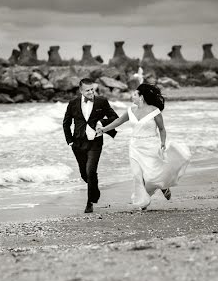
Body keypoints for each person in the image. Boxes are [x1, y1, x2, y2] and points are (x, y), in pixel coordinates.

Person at [96, 83, 191, 210]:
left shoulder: (154, 111)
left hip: (151, 146)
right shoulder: (131, 110)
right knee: (137, 175)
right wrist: (104, 129)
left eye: (135, 94)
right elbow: (118, 121)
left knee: (151, 176)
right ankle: (143, 202)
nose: (132, 96)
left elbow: (162, 129)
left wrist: (163, 143)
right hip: (135, 146)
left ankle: (163, 186)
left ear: (142, 97)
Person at [63, 78, 119, 213]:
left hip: (96, 142)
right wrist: (70, 141)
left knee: (90, 171)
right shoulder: (73, 103)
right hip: (78, 143)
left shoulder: (101, 101)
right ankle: (95, 187)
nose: (91, 92)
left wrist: (101, 122)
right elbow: (66, 123)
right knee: (84, 174)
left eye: (92, 89)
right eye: (87, 90)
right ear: (81, 91)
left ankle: (89, 203)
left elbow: (114, 117)